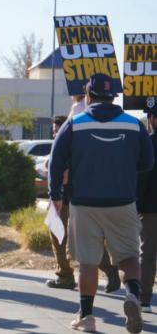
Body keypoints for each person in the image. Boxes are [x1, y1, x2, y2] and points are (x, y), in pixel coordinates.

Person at [49, 73, 154, 333]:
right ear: (113, 97)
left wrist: (56, 196)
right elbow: (148, 163)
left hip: (84, 203)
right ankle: (132, 295)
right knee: (130, 256)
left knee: (88, 262)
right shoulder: (134, 124)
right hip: (123, 201)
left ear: (88, 95)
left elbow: (56, 162)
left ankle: (87, 317)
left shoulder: (75, 123)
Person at [46, 114, 120, 291]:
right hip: (79, 199)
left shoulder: (65, 149)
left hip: (65, 200)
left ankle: (65, 275)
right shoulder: (80, 146)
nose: (55, 135)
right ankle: (110, 271)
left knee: (60, 238)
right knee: (86, 240)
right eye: (54, 131)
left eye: (57, 131)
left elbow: (63, 177)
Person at [137, 103, 157, 312]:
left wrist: (137, 206)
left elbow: (142, 178)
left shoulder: (149, 144)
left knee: (148, 255)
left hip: (151, 209)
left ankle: (144, 299)